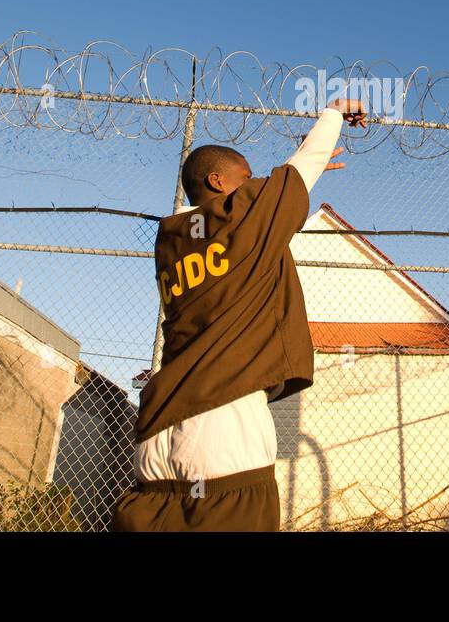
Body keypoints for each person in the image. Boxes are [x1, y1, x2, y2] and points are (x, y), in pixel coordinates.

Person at [111, 98, 365, 531]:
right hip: (222, 437)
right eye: (246, 180)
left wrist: (290, 182)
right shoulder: (239, 221)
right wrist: (333, 113)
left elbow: (268, 199)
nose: (254, 186)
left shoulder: (171, 241)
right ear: (215, 180)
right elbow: (294, 175)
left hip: (155, 444)